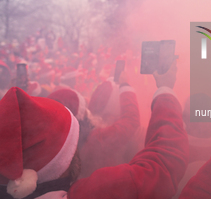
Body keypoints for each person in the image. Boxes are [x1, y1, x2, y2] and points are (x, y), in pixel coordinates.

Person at [0, 60, 189, 199]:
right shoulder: (93, 190)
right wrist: (164, 89)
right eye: (71, 144)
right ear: (61, 160)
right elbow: (163, 163)